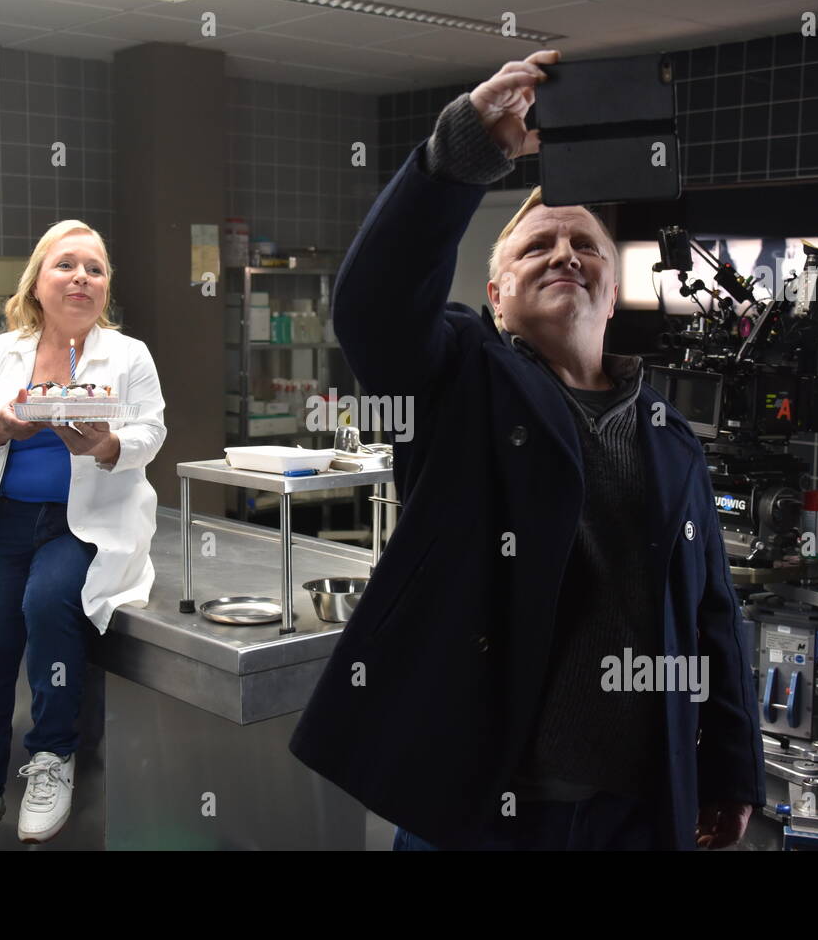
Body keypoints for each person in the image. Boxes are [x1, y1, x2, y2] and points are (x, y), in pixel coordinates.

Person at [289, 50, 765, 850]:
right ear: (497, 296)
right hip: (485, 807)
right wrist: (464, 150)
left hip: (634, 810)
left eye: (585, 246)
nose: (564, 254)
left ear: (613, 293)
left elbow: (712, 616)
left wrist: (731, 763)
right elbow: (373, 304)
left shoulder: (672, 438)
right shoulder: (463, 380)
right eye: (535, 247)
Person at [0, 220, 166, 850]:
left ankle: (50, 758)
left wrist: (109, 443)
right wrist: (0, 425)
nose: (81, 278)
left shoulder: (128, 357)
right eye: (66, 265)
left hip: (84, 523)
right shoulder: (3, 352)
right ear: (37, 283)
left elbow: (152, 432)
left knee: (48, 603)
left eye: (95, 269)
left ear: (105, 289)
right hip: (8, 518)